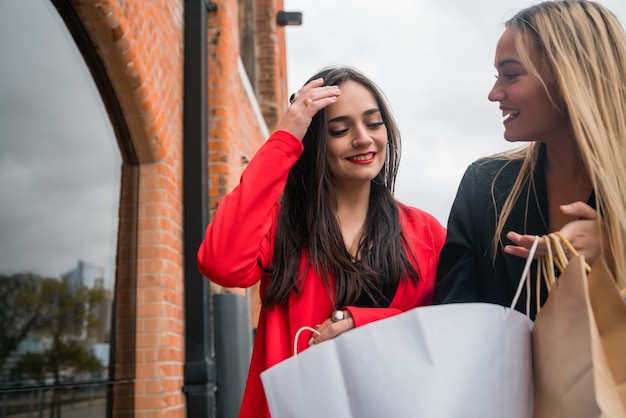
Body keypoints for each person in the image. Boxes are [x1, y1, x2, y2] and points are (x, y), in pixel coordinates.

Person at [197, 66, 446, 417]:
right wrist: (286, 138)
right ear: (315, 144)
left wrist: (363, 324)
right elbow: (221, 263)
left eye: (373, 123)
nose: (362, 138)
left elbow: (447, 331)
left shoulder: (426, 232)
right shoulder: (282, 225)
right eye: (340, 130)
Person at [435, 0, 626, 317]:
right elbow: (453, 323)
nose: (494, 93)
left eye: (510, 75)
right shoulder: (483, 185)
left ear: (572, 77)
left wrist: (615, 255)